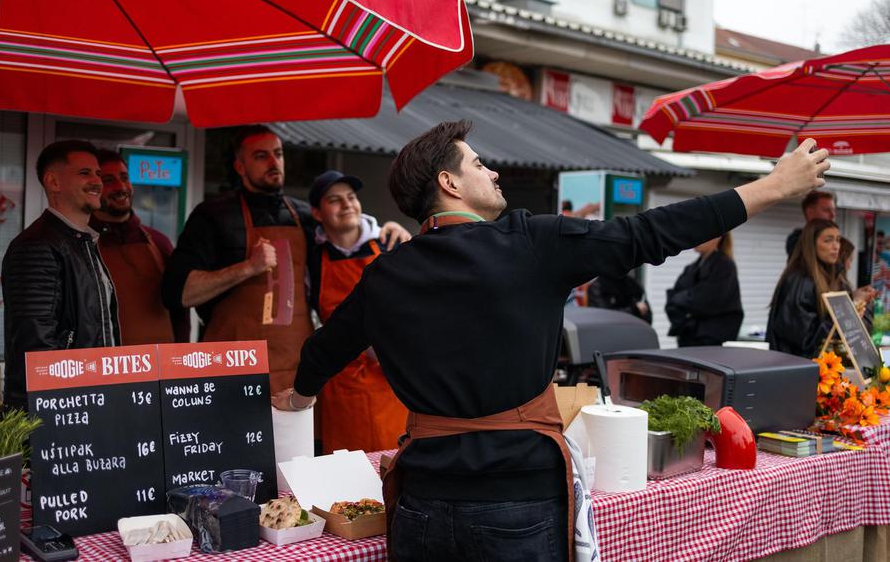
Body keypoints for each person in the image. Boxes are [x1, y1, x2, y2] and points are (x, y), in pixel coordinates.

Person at [274, 121, 829, 561]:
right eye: (478, 163)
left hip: (421, 503)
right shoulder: (531, 241)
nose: (493, 173)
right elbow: (651, 232)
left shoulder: (384, 275)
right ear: (448, 183)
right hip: (516, 502)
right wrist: (774, 186)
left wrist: (297, 398)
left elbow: (322, 355)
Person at [161, 126, 409, 393]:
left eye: (277, 154)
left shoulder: (304, 216)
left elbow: (348, 233)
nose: (273, 162)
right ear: (240, 166)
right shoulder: (211, 215)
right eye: (260, 156)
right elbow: (179, 294)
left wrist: (386, 230)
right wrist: (247, 268)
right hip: (228, 372)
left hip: (294, 371)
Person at [2, 140, 120, 411]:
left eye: (98, 174)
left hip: (90, 399)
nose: (97, 181)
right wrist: (65, 409)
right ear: (53, 182)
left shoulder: (84, 243)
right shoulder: (36, 245)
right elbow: (36, 345)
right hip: (60, 409)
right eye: (84, 173)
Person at [306, 170, 408, 453]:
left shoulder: (391, 244)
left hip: (390, 379)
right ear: (317, 213)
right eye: (335, 200)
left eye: (351, 197)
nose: (347, 204)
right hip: (340, 383)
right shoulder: (313, 259)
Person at [90, 149, 189, 344]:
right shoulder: (82, 242)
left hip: (161, 366)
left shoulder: (159, 242)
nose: (121, 187)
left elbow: (180, 310)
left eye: (124, 177)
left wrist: (181, 356)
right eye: (109, 180)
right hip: (104, 368)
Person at [766, 219, 864, 358]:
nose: (836, 246)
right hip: (795, 368)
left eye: (838, 240)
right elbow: (804, 337)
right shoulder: (800, 281)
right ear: (811, 245)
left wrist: (852, 314)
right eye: (828, 240)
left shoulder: (833, 277)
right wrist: (843, 317)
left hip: (814, 367)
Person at [665, 233, 743, 346]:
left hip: (712, 339)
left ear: (718, 237)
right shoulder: (690, 268)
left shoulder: (724, 266)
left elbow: (706, 300)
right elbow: (672, 301)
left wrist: (681, 298)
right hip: (687, 336)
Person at [785, 190, 836, 256]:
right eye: (826, 210)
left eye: (834, 210)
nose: (833, 215)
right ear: (810, 212)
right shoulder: (798, 241)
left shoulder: (837, 240)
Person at [587, 274, 652, 323]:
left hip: (632, 332)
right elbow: (604, 316)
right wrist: (634, 310)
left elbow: (647, 315)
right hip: (607, 334)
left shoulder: (632, 284)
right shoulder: (597, 286)